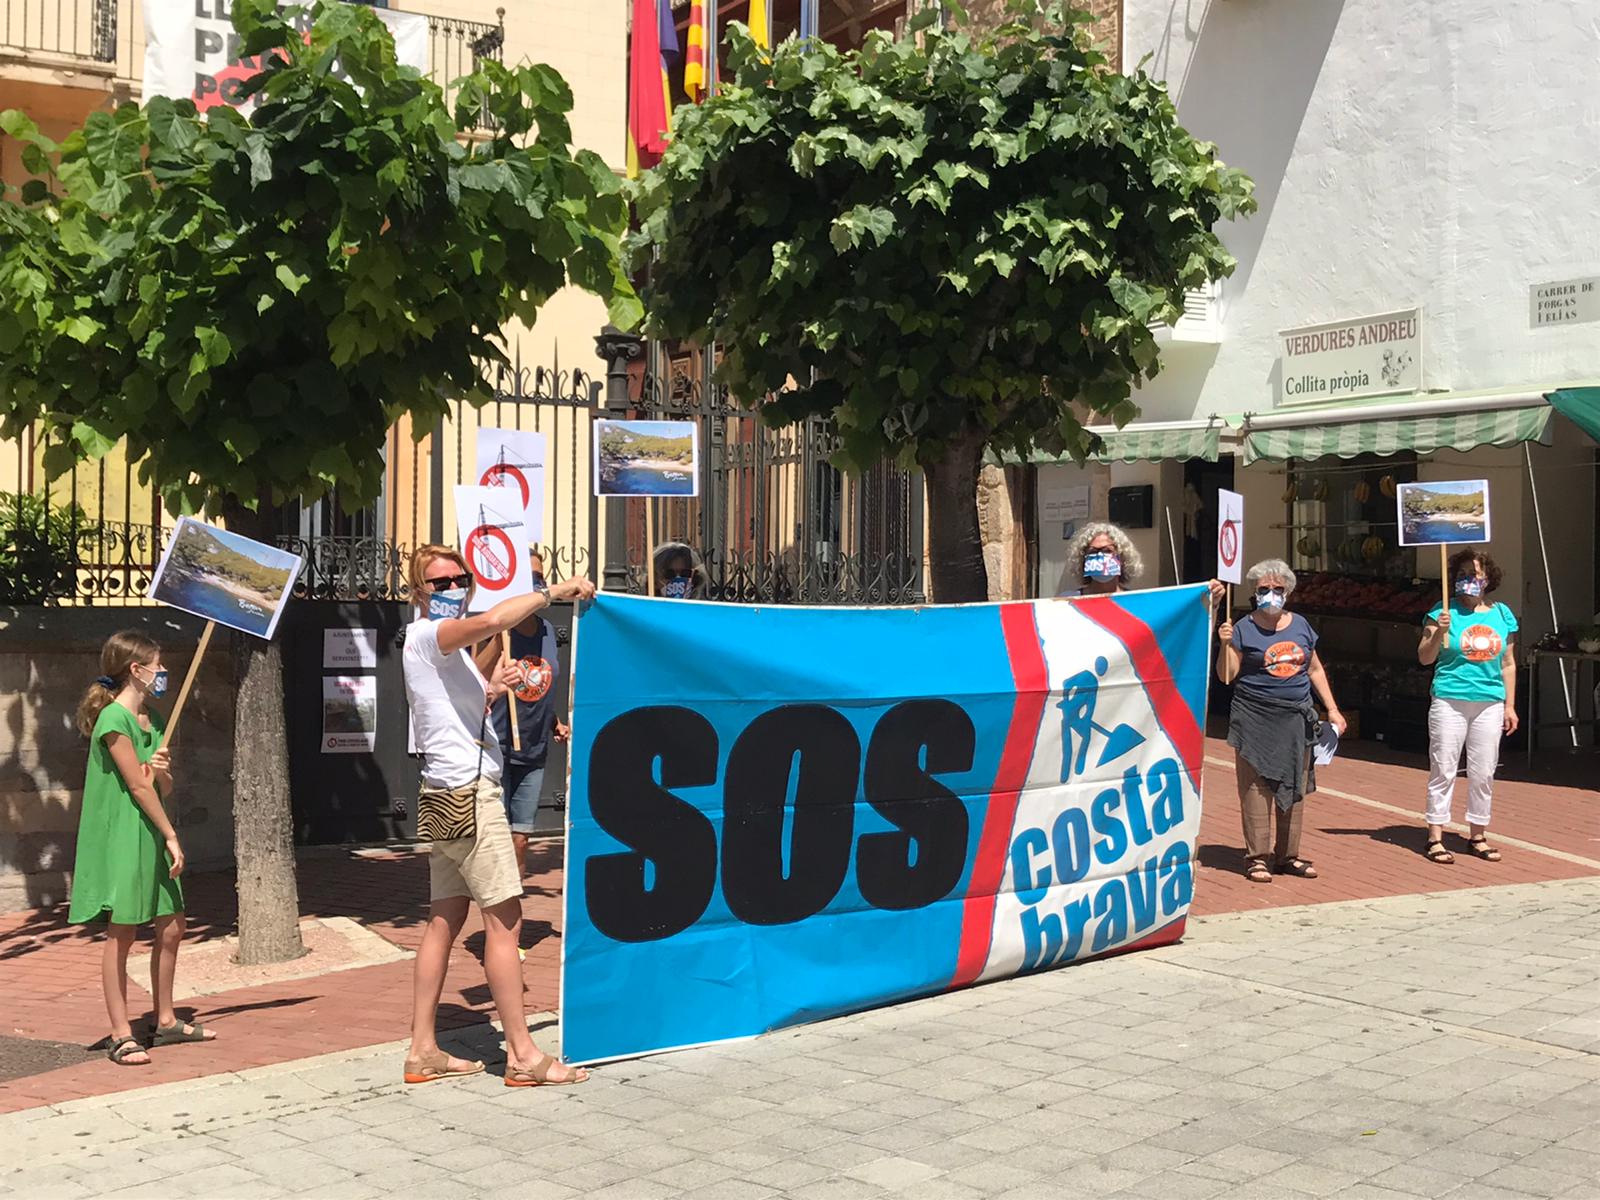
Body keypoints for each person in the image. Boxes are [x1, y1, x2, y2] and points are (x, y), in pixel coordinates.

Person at [402, 543, 594, 1088]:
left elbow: (452, 709)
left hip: (444, 792)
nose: (452, 588)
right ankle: (523, 1055)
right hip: (471, 793)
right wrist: (552, 592)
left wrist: (492, 690)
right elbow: (492, 619)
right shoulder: (429, 635)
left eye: (458, 578)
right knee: (504, 925)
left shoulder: (446, 648)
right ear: (419, 592)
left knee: (443, 919)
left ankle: (422, 1049)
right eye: (439, 583)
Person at [69, 630, 215, 1066]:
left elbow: (157, 784)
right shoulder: (114, 721)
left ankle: (166, 1020)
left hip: (150, 829)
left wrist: (164, 771)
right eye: (158, 664)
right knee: (124, 930)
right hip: (125, 836)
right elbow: (135, 785)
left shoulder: (150, 720)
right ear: (137, 669)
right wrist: (171, 833)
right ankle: (120, 1033)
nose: (164, 672)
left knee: (172, 924)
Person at [1216, 560, 1347, 884]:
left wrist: (1331, 709)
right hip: (1255, 718)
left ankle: (1289, 855)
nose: (1271, 595)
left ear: (1287, 591)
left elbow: (1314, 669)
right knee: (1256, 789)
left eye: (1277, 589)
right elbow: (1227, 675)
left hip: (1296, 719)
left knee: (1294, 785)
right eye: (1263, 590)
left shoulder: (1301, 625)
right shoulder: (1243, 627)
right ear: (1254, 593)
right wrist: (1224, 643)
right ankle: (1257, 858)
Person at [1416, 548, 1519, 865]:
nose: (1467, 581)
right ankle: (1436, 835)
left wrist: (1509, 705)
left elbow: (1508, 663)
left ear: (1487, 579)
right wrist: (1439, 634)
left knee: (1484, 770)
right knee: (1444, 767)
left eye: (1473, 575)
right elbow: (1424, 657)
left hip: (1489, 702)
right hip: (1450, 697)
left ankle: (1478, 833)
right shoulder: (1441, 612)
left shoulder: (1502, 615)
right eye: (1461, 576)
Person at [474, 550, 567, 881]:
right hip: (496, 747)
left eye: (540, 576)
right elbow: (477, 678)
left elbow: (538, 683)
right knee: (494, 837)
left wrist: (554, 721)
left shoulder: (547, 632)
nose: (536, 583)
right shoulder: (492, 628)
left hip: (533, 748)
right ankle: (494, 904)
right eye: (529, 576)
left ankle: (512, 904)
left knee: (521, 837)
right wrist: (500, 640)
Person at [1060, 521, 1225, 603]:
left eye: (1107, 551)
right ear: (1083, 560)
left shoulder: (1137, 603)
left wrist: (1211, 602)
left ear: (1122, 558)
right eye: (1093, 552)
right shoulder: (1067, 602)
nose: (1100, 556)